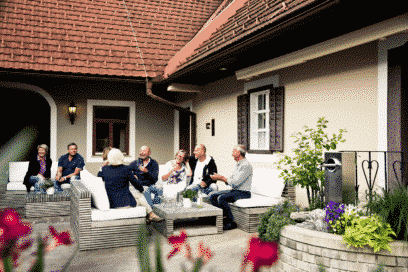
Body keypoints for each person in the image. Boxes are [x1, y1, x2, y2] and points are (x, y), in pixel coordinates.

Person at [98, 148, 162, 221]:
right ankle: (151, 214)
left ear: (109, 158)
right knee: (140, 196)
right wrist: (141, 189)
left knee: (135, 193)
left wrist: (102, 167)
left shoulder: (105, 169)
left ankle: (149, 216)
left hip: (111, 203)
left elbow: (99, 178)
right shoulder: (126, 169)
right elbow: (137, 185)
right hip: (124, 203)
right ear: (121, 157)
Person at [210, 145, 253, 231]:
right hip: (236, 190)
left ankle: (230, 222)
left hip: (243, 193)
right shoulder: (238, 164)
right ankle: (221, 218)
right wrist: (221, 178)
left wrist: (221, 178)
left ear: (238, 153)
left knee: (221, 198)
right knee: (213, 195)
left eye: (233, 151)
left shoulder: (245, 165)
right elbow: (231, 180)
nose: (232, 154)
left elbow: (235, 183)